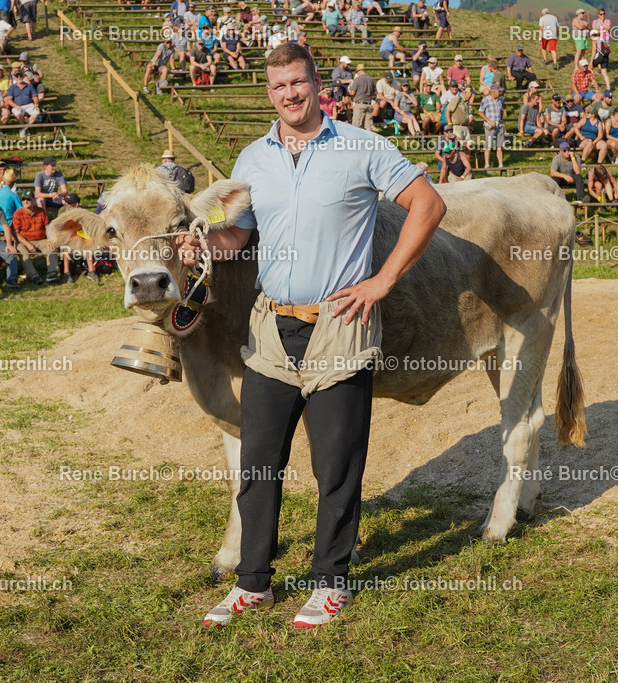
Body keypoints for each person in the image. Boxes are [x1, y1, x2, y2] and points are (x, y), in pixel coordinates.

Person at [191, 43, 445, 629]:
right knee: (257, 466)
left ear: (315, 83)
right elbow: (241, 239)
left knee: (336, 467)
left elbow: (428, 204)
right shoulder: (251, 158)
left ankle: (331, 582)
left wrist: (383, 280)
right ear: (269, 91)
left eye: (299, 83)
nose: (290, 94)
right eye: (279, 86)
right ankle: (253, 583)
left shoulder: (361, 146)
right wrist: (205, 242)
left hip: (340, 328)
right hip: (271, 328)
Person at [11, 189, 56, 285]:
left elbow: (48, 227)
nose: (25, 201)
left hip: (41, 239)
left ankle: (52, 273)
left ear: (33, 200)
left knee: (51, 248)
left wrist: (50, 239)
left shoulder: (41, 212)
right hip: (23, 240)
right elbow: (15, 233)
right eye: (23, 199)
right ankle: (33, 276)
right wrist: (28, 244)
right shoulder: (17, 214)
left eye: (28, 199)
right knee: (23, 253)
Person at [3, 70, 40, 138]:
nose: (19, 77)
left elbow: (35, 97)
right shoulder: (12, 87)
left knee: (36, 113)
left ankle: (24, 128)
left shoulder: (29, 86)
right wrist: (16, 106)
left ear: (23, 77)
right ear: (15, 78)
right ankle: (25, 128)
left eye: (20, 75)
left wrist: (36, 105)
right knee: (18, 115)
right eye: (17, 76)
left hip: (29, 105)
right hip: (17, 105)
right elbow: (9, 100)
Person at [477, 83, 504, 169]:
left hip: (499, 126)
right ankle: (487, 164)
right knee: (488, 146)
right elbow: (480, 112)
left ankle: (501, 164)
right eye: (499, 91)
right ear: (493, 91)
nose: (500, 93)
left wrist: (501, 122)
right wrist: (488, 121)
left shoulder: (500, 100)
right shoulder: (486, 100)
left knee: (499, 146)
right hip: (489, 127)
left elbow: (501, 112)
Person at [348, 63, 375, 131]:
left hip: (360, 104)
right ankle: (370, 140)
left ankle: (356, 140)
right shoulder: (371, 80)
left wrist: (349, 92)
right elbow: (375, 92)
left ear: (359, 71)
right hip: (369, 104)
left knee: (357, 125)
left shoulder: (357, 79)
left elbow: (353, 92)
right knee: (368, 125)